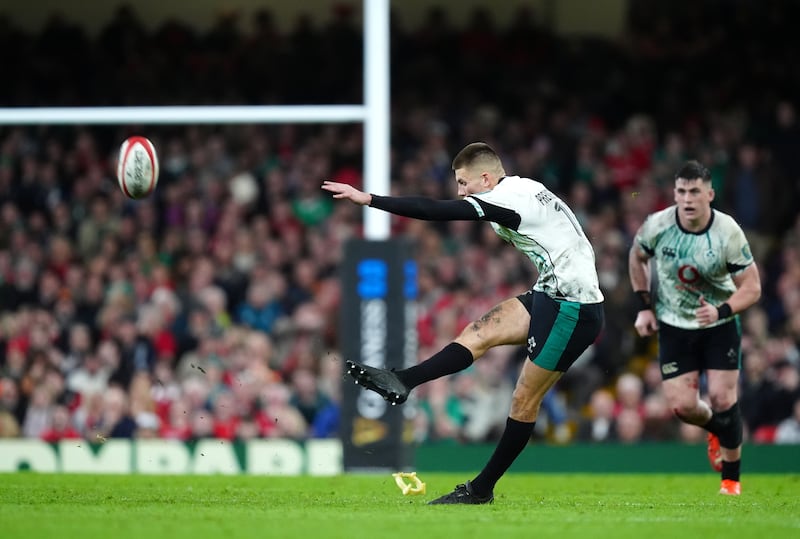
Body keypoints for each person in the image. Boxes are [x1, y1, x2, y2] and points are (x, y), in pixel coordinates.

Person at [322, 142, 604, 504]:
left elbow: (435, 210)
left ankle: (481, 489)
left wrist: (370, 199)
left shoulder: (508, 198)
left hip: (575, 308)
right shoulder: (524, 186)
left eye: (463, 183)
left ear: (485, 178)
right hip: (551, 293)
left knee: (523, 400)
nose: (459, 191)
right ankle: (404, 380)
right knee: (479, 332)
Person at [628, 160, 762, 496]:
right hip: (674, 325)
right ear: (674, 193)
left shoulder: (727, 232)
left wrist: (721, 311)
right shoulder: (658, 225)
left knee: (722, 397)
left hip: (719, 324)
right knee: (683, 407)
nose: (687, 199)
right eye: (681, 191)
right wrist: (645, 307)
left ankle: (731, 480)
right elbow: (637, 256)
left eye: (695, 192)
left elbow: (752, 287)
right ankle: (720, 429)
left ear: (710, 194)